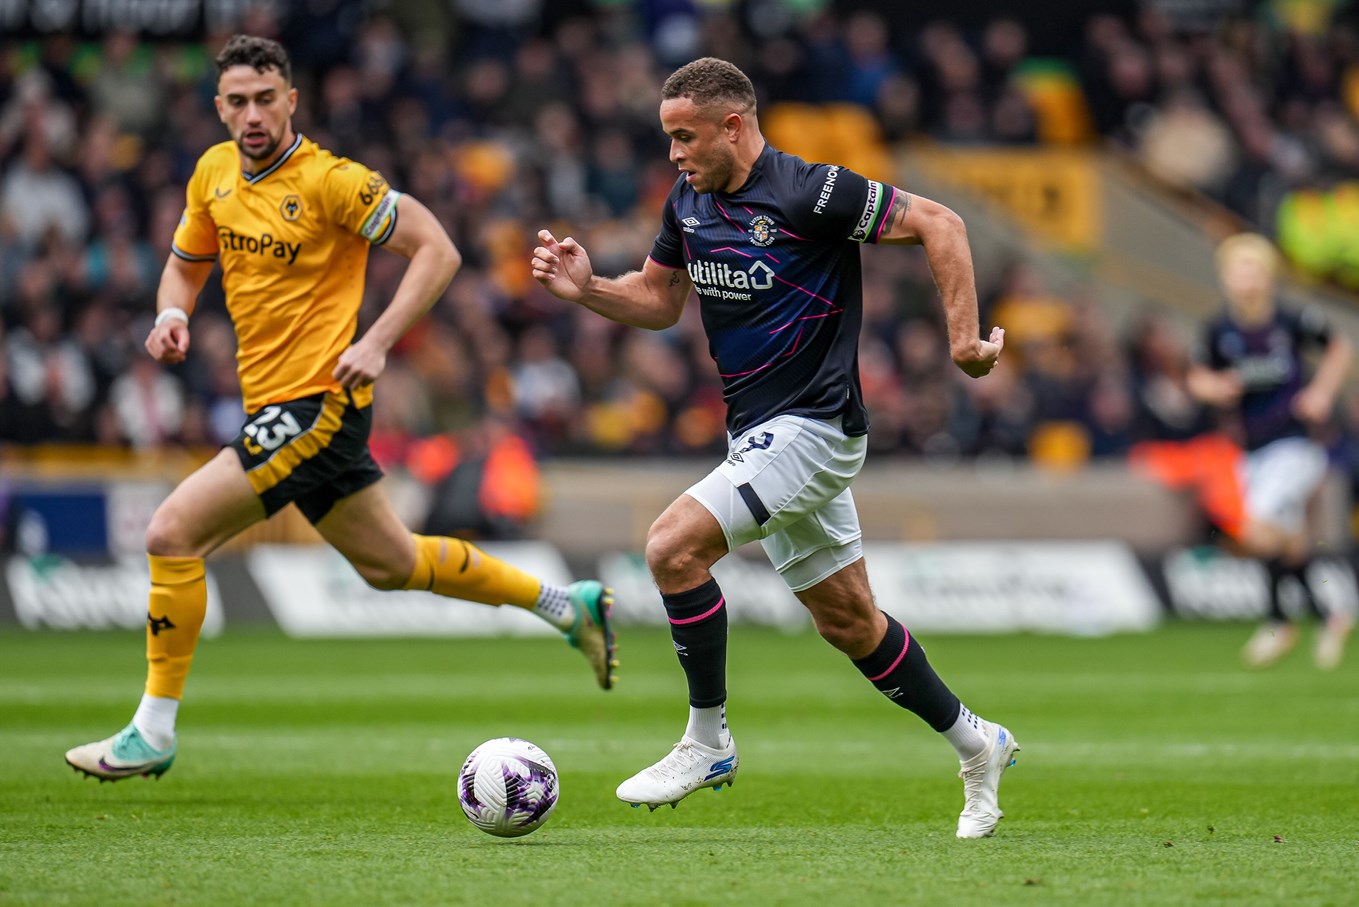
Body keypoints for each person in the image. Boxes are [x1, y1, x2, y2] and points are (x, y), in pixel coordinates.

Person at [65, 35, 618, 784]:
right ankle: (565, 604)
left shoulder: (332, 182)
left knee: (171, 533)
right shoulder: (212, 173)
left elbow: (439, 249)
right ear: (219, 106)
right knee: (392, 564)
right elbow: (183, 266)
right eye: (238, 101)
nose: (253, 115)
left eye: (266, 99)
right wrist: (172, 315)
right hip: (273, 407)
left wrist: (379, 340)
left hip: (318, 403)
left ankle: (152, 730)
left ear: (291, 100)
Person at [532, 58, 1016, 838]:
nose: (673, 154)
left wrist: (963, 339)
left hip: (814, 429)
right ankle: (977, 743)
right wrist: (588, 288)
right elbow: (657, 300)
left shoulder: (808, 191)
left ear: (732, 126)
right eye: (667, 137)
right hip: (758, 435)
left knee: (671, 548)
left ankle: (706, 741)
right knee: (849, 621)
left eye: (684, 136)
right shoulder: (687, 201)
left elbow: (941, 223)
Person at [1187, 233, 1354, 669]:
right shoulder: (1219, 330)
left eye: (1254, 269)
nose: (1247, 279)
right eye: (1239, 270)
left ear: (1268, 276)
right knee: (1290, 545)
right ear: (1225, 278)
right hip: (1254, 449)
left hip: (1296, 444)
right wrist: (1214, 388)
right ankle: (1329, 615)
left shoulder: (1291, 319)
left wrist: (1322, 392)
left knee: (1257, 530)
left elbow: (1339, 347)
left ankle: (1279, 620)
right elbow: (1197, 377)